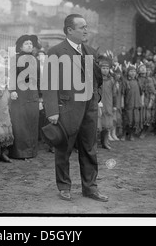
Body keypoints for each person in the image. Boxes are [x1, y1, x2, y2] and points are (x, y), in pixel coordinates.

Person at [42, 14, 108, 202]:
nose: (86, 30)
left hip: (89, 108)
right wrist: (52, 110)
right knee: (64, 148)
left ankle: (90, 188)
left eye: (86, 27)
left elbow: (97, 80)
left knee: (89, 148)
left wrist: (97, 100)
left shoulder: (90, 51)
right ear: (69, 30)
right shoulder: (56, 52)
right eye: (82, 27)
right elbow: (49, 83)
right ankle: (64, 186)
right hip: (67, 109)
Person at [9, 34, 41, 160]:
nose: (29, 45)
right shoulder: (15, 59)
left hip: (32, 94)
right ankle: (20, 152)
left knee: (32, 122)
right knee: (20, 123)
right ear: (21, 46)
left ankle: (31, 151)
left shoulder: (36, 60)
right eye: (27, 43)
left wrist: (41, 98)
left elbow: (39, 79)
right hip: (20, 94)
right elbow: (12, 75)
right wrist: (12, 90)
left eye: (31, 44)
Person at [99, 57, 116, 149]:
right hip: (99, 103)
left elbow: (114, 94)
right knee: (99, 122)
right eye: (103, 68)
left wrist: (115, 105)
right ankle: (97, 142)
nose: (105, 70)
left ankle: (105, 141)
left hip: (108, 103)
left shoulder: (111, 80)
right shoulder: (97, 80)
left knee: (107, 123)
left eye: (107, 68)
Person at [122, 63, 142, 141]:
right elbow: (123, 93)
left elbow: (141, 93)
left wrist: (140, 102)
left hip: (136, 104)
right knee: (127, 120)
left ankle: (131, 134)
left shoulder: (138, 81)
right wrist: (123, 103)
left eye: (134, 71)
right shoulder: (125, 82)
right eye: (131, 71)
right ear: (128, 72)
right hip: (128, 104)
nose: (133, 73)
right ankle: (124, 134)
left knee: (134, 120)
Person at [137, 63, 156, 138]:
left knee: (147, 116)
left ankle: (144, 131)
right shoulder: (137, 78)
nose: (143, 69)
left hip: (147, 99)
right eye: (141, 68)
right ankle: (138, 129)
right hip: (138, 99)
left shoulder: (149, 79)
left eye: (144, 68)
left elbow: (153, 92)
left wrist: (151, 101)